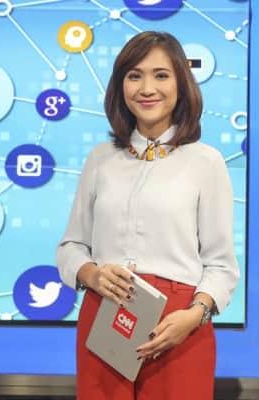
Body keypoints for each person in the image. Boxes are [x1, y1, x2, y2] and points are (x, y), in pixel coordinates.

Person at [56, 31, 240, 400]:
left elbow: (221, 266)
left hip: (178, 325)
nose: (147, 88)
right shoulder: (100, 159)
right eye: (134, 75)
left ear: (180, 84)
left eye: (161, 75)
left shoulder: (206, 162)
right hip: (106, 315)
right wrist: (92, 273)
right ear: (120, 85)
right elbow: (70, 246)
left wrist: (194, 316)